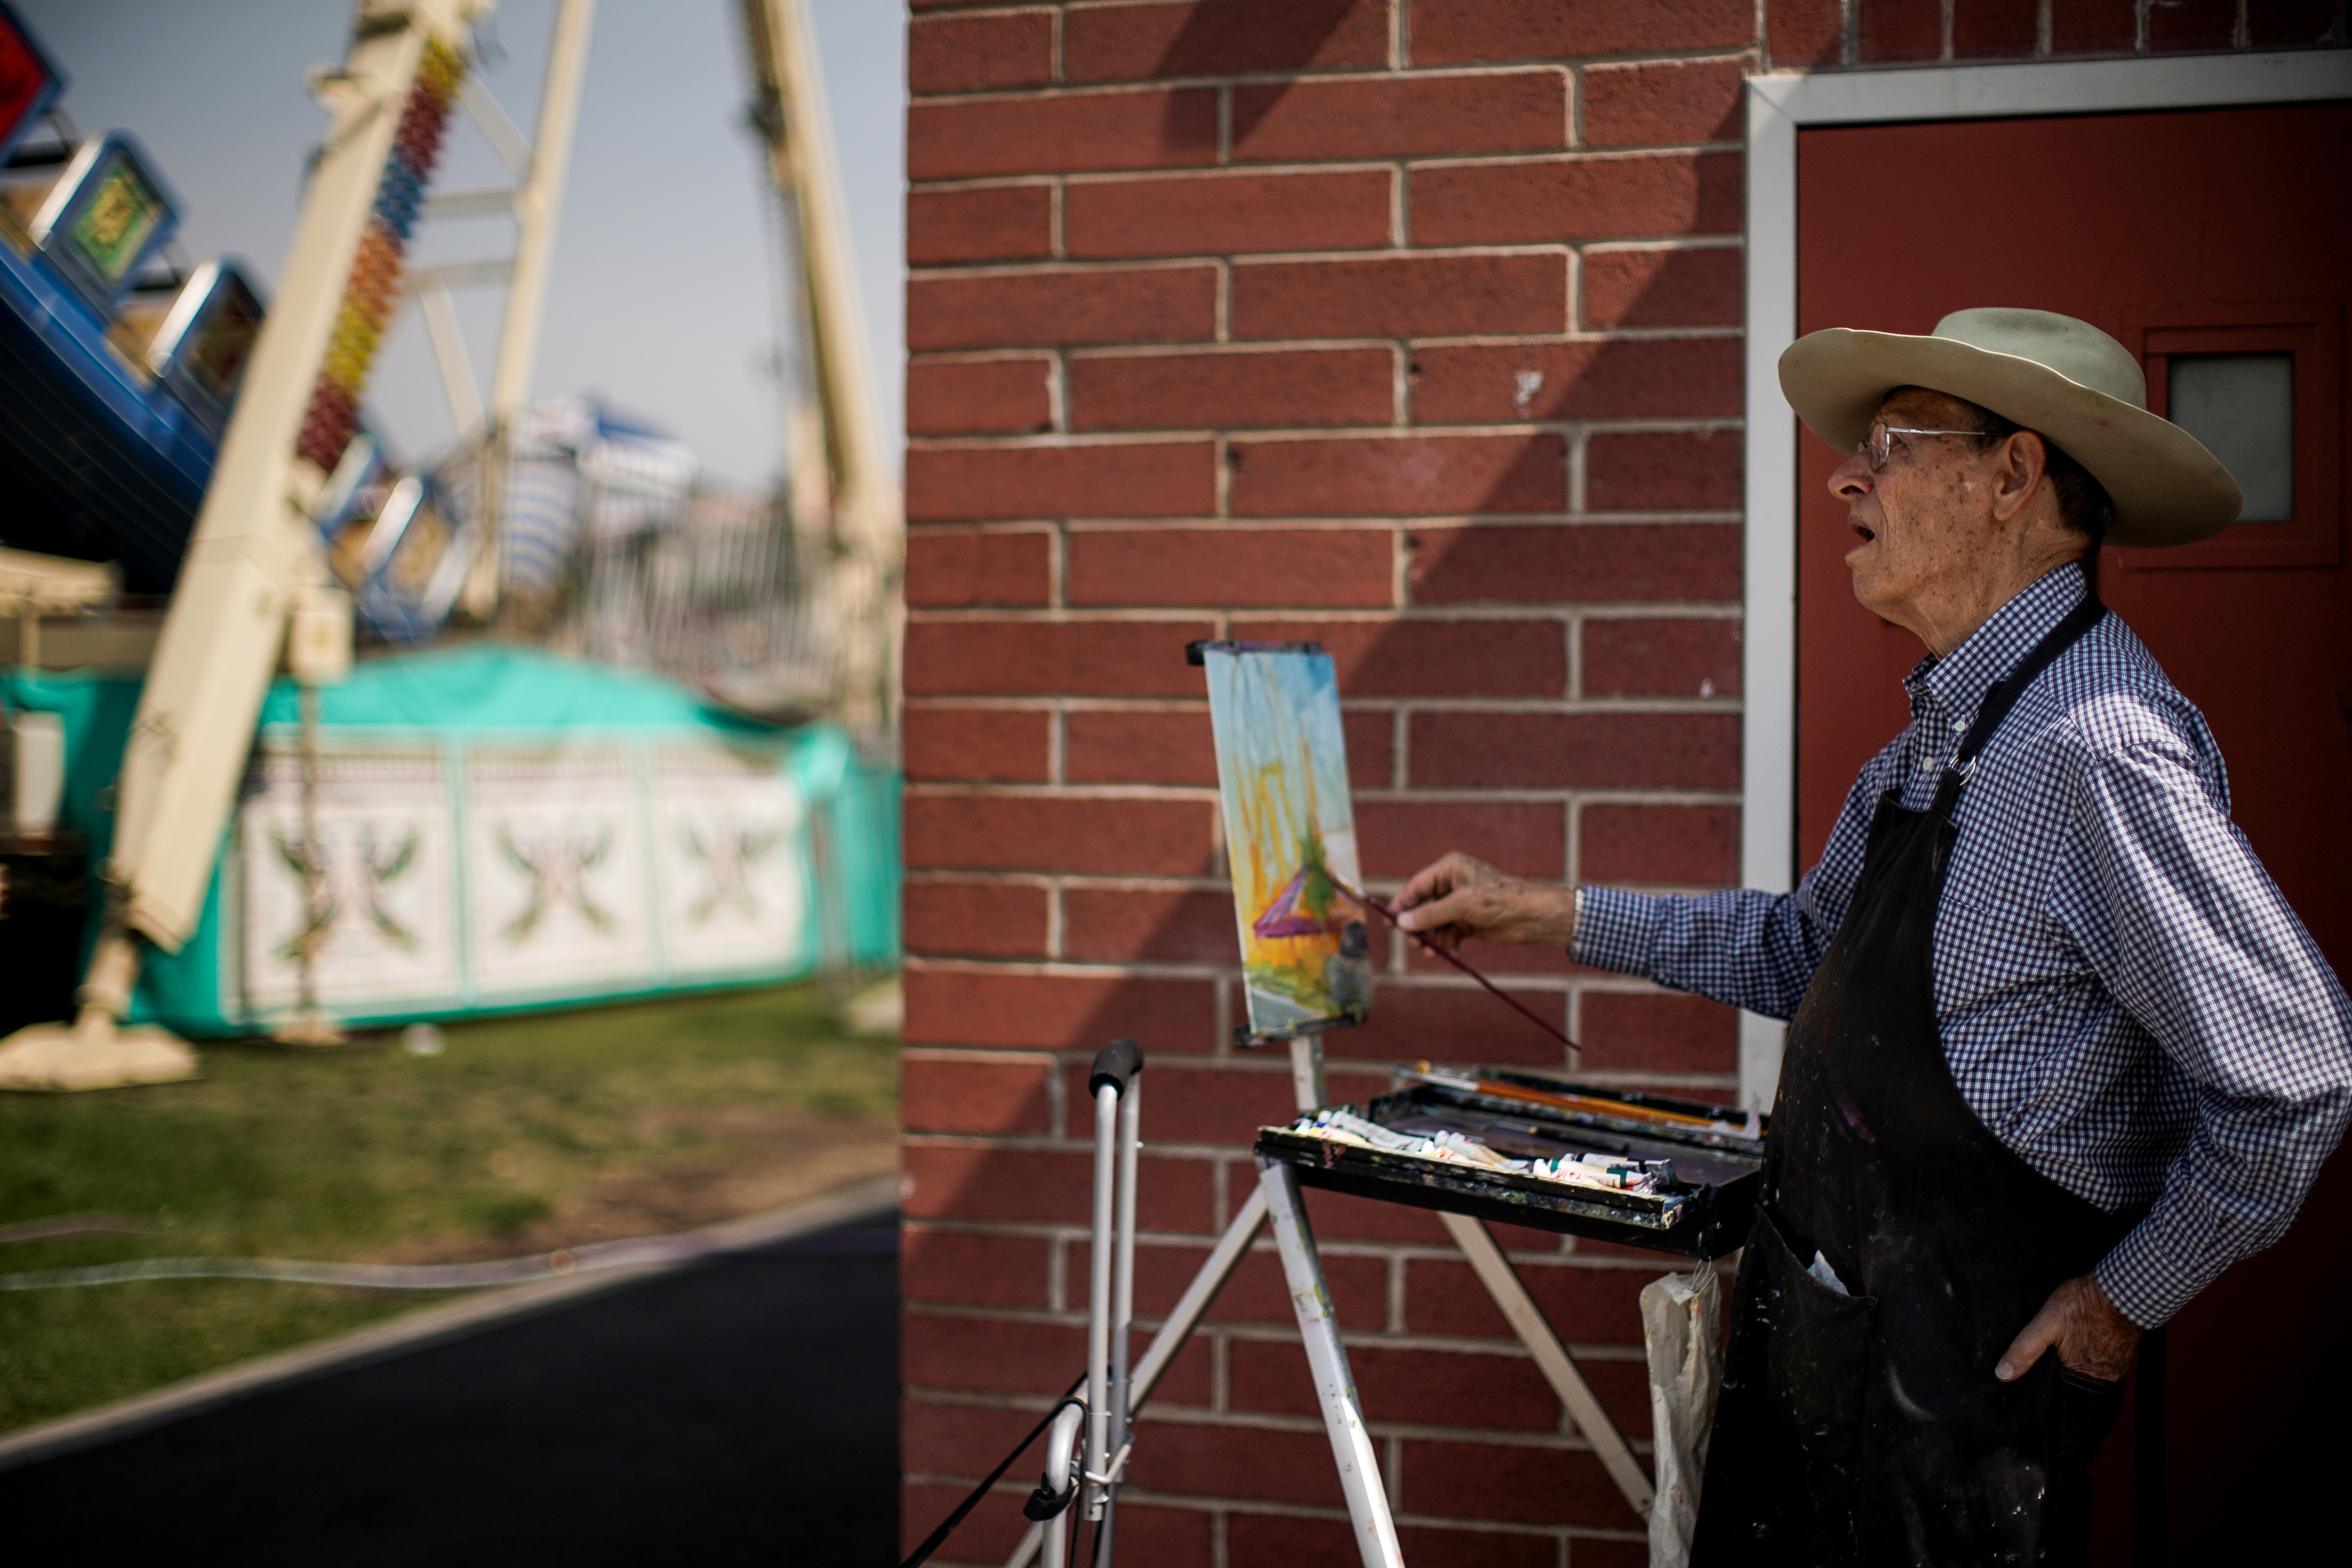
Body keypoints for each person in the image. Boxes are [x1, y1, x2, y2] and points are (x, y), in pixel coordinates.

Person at [1389, 309, 2352, 1565]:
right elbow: (1802, 952)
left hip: (1962, 1424)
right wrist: (1539, 910)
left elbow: (2297, 1078)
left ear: (2012, 476)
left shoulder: (2097, 748)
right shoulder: (1935, 743)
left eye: (1893, 445)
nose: (1849, 477)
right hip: (1836, 1368)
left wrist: (2122, 1301)